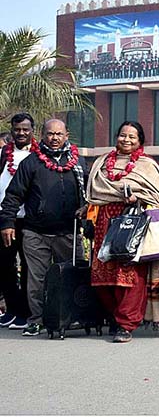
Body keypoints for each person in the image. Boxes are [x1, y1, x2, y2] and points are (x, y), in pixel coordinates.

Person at [0, 119, 87, 337]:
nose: (54, 138)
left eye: (59, 134)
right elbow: (13, 195)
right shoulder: (31, 163)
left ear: (67, 135)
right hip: (35, 233)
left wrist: (86, 212)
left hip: (69, 232)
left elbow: (90, 194)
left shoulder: (79, 162)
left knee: (71, 277)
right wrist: (8, 222)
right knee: (36, 281)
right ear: (42, 135)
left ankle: (71, 316)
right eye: (50, 134)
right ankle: (36, 320)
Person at [86, 121, 159, 343]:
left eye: (132, 137)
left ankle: (126, 324)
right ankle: (115, 317)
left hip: (133, 225)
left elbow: (157, 197)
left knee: (130, 275)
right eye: (123, 135)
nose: (126, 140)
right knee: (103, 275)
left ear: (140, 141)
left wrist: (136, 198)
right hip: (104, 225)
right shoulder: (101, 163)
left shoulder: (147, 166)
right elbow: (94, 192)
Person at [0, 114, 35, 330]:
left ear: (33, 130)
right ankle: (12, 310)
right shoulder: (4, 154)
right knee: (4, 267)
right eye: (17, 129)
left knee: (28, 268)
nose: (21, 133)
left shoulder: (39, 156)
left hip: (27, 220)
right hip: (4, 219)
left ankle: (25, 312)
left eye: (25, 129)